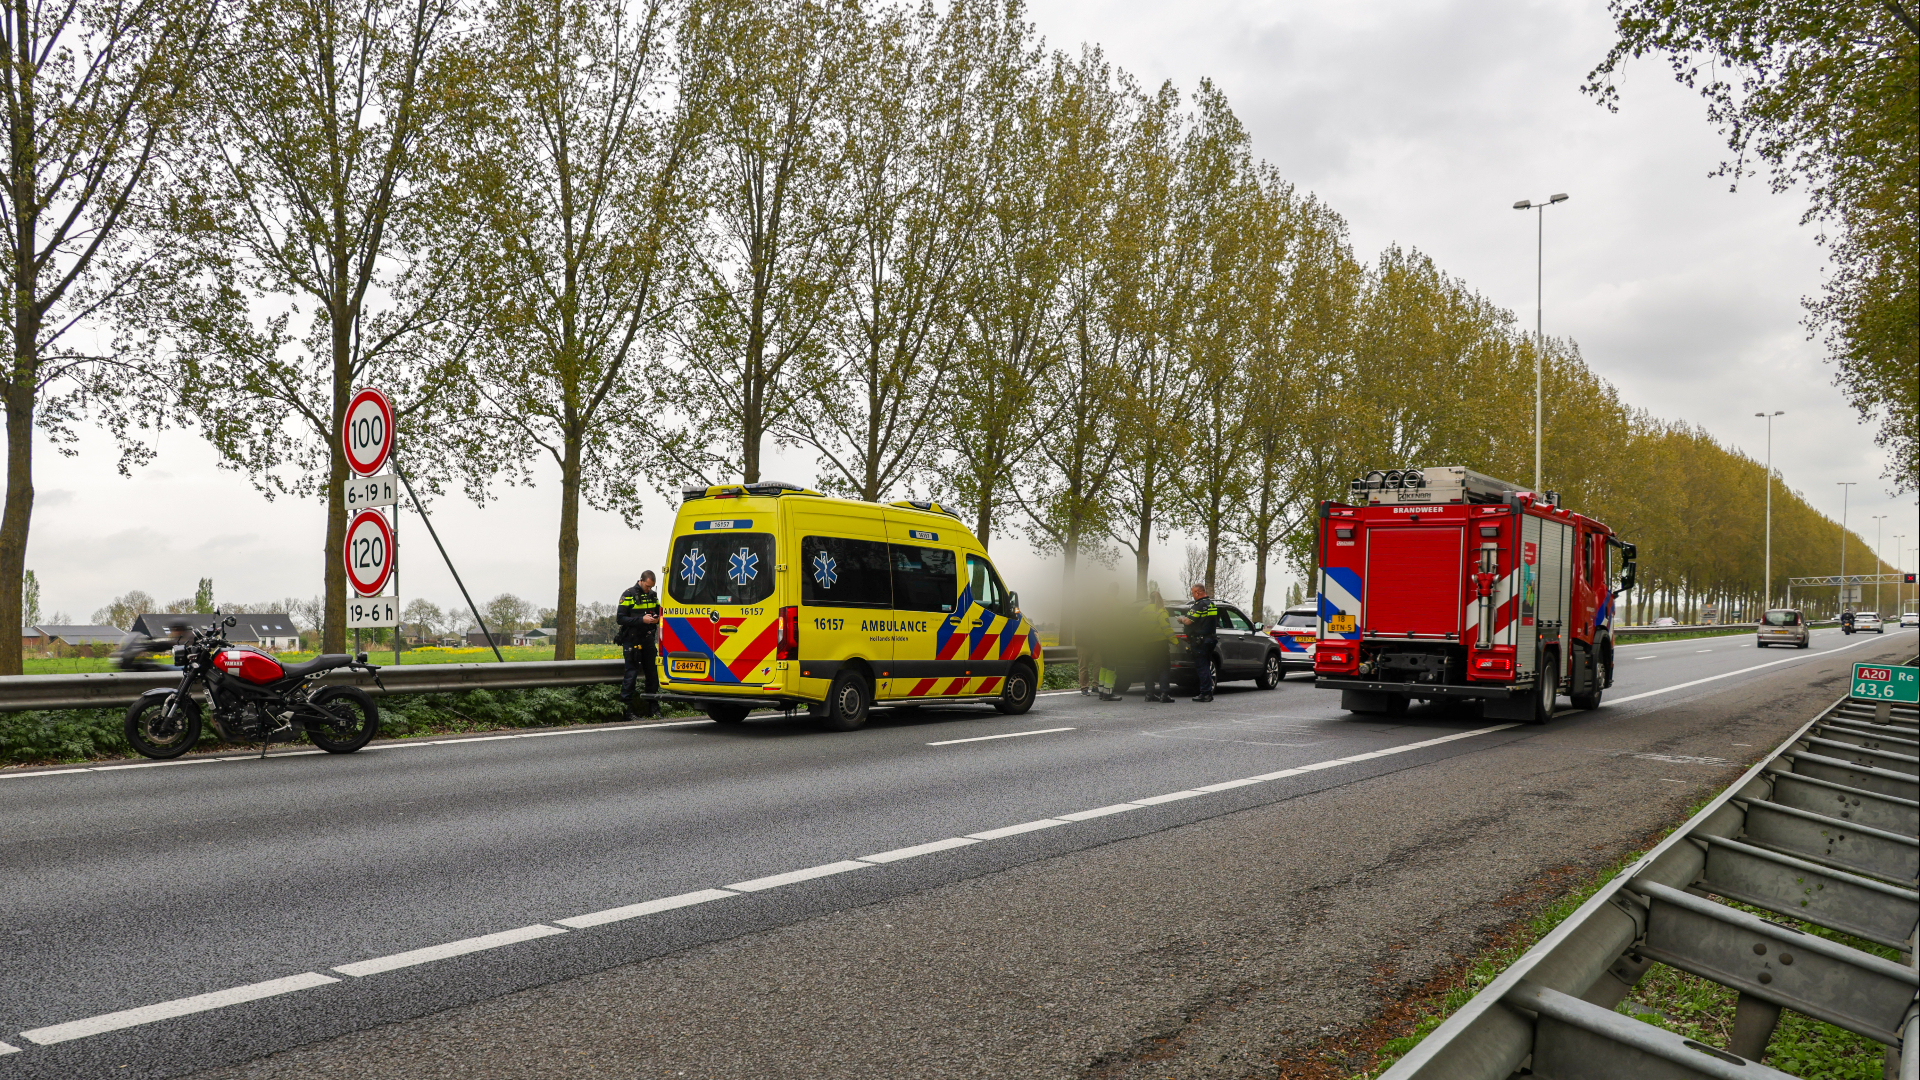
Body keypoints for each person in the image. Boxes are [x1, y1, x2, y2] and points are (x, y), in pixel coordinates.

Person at [616, 571, 662, 718]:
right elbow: (620, 618)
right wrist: (641, 620)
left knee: (652, 675)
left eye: (651, 587)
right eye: (647, 586)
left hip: (647, 639)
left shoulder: (653, 596)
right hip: (632, 640)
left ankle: (653, 708)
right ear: (641, 581)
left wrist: (656, 619)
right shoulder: (628, 594)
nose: (649, 589)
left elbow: (659, 613)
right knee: (631, 675)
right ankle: (627, 710)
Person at [1180, 582, 1218, 702]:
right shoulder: (1212, 605)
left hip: (1200, 641)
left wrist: (1180, 618)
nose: (1192, 595)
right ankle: (1207, 691)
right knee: (1206, 665)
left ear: (1198, 592)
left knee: (1202, 667)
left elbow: (1188, 621)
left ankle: (1205, 693)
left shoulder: (1198, 606)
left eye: (1193, 593)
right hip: (1210, 639)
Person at [1140, 584, 1174, 703]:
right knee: (1164, 669)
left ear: (1150, 599)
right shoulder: (1161, 611)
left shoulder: (1143, 611)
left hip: (1147, 645)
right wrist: (1175, 641)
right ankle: (1164, 694)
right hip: (1160, 645)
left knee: (1149, 669)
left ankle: (1149, 694)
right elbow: (1167, 629)